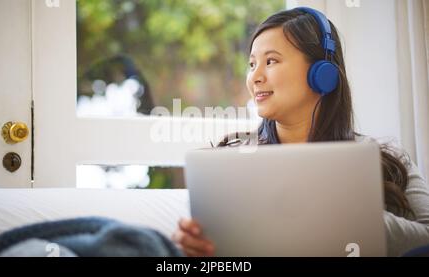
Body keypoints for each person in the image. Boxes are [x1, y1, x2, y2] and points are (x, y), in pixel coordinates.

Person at [171, 7, 429, 257]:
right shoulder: (229, 163)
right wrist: (192, 248)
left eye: (270, 61)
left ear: (322, 73)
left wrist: (359, 220)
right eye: (251, 64)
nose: (254, 77)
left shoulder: (387, 161)